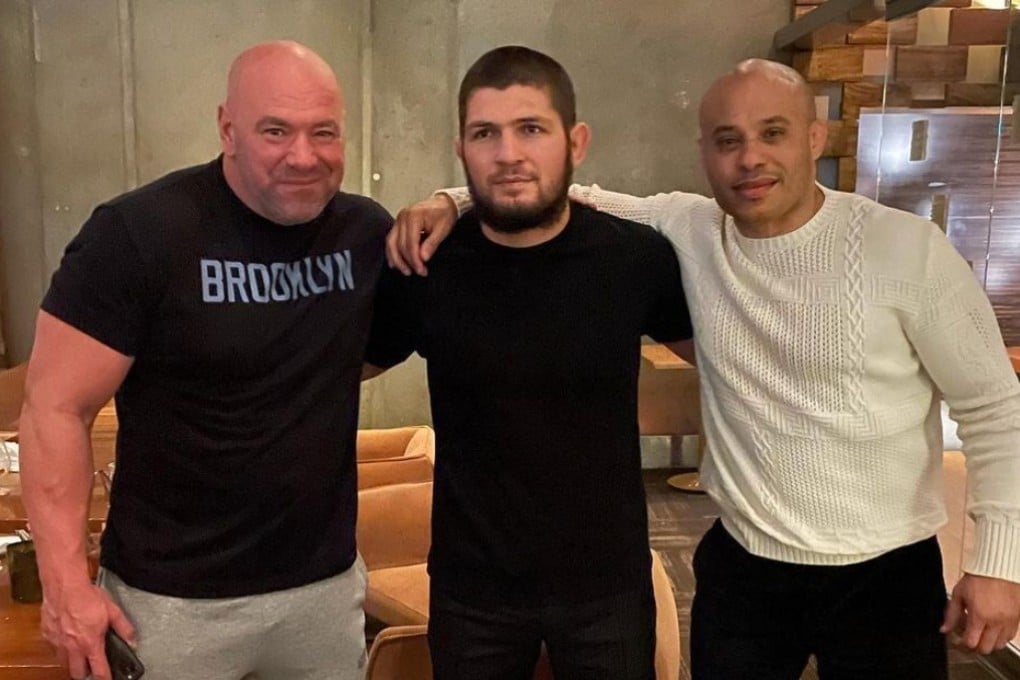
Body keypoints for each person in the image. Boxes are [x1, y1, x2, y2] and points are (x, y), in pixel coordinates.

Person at [387, 58, 1020, 679]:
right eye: (728, 141)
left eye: (773, 133)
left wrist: (999, 561)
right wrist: (450, 198)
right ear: (705, 153)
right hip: (743, 568)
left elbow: (996, 407)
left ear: (814, 136)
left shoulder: (907, 249)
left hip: (884, 575)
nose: (750, 159)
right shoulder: (690, 227)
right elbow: (553, 190)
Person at [19, 41, 391, 680]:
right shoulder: (138, 235)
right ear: (227, 128)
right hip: (170, 604)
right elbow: (55, 407)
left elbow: (356, 357)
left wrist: (449, 203)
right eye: (275, 131)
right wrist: (64, 586)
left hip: (322, 593)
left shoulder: (361, 235)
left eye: (323, 132)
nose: (303, 156)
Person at [363, 45, 693, 680]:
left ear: (576, 141)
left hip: (608, 585)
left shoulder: (635, 260)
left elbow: (727, 360)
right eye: (486, 133)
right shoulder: (427, 265)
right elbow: (345, 366)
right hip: (472, 589)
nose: (508, 154)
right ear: (462, 148)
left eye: (531, 129)